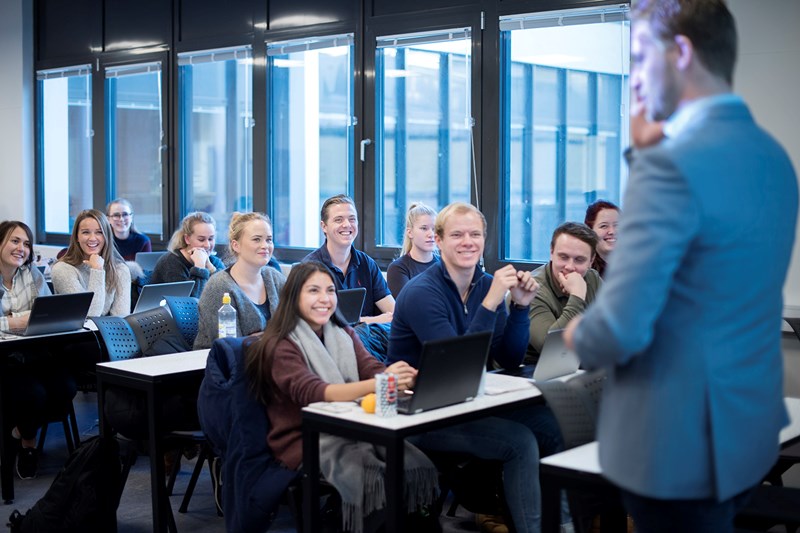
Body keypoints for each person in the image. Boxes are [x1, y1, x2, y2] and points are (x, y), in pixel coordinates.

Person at [563, 1, 799, 532]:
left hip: (676, 443)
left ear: (682, 51)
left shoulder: (670, 164)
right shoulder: (772, 156)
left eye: (641, 57)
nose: (637, 80)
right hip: (745, 427)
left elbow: (619, 329)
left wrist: (580, 331)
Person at [388, 202, 564, 533]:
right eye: (457, 234)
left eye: (475, 234)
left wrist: (521, 308)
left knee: (554, 426)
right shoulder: (422, 292)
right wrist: (492, 301)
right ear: (438, 241)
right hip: (421, 413)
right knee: (520, 442)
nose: (468, 241)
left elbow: (509, 358)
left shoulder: (484, 285)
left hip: (469, 401)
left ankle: (557, 522)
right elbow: (457, 366)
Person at [246, 261, 438, 533]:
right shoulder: (279, 345)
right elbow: (316, 393)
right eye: (314, 291)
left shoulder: (342, 333)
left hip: (353, 425)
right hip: (304, 440)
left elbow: (370, 368)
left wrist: (401, 376)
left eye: (330, 291)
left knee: (413, 468)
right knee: (377, 482)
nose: (325, 299)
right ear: (293, 297)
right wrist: (381, 381)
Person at [0, 221, 78, 479]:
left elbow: (45, 312)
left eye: (26, 243)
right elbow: (29, 316)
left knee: (66, 387)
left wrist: (14, 318)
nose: (21, 248)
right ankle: (28, 446)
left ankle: (18, 432)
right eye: (14, 241)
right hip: (5, 360)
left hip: (33, 351)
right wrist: (15, 320)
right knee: (32, 394)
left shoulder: (32, 274)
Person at [194, 213, 286, 349]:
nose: (265, 245)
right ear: (236, 245)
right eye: (256, 239)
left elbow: (296, 328)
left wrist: (258, 337)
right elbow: (229, 346)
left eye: (269, 240)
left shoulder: (275, 278)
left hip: (272, 360)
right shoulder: (219, 286)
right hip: (225, 366)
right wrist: (274, 336)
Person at [303, 195, 394, 324]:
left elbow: (393, 313)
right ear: (324, 226)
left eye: (352, 219)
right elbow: (312, 322)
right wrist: (369, 320)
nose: (347, 225)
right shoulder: (309, 268)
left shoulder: (367, 264)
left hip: (370, 340)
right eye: (338, 220)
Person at [527, 222, 602, 358]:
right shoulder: (533, 289)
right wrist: (577, 296)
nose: (570, 267)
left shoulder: (592, 278)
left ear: (591, 261)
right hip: (532, 370)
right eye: (563, 257)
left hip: (583, 364)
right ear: (551, 253)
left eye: (579, 260)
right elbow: (551, 350)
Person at [51, 209, 131, 317]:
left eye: (99, 232)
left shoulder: (120, 269)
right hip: (78, 333)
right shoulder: (62, 269)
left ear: (106, 236)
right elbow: (90, 314)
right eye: (85, 232)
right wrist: (97, 270)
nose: (92, 238)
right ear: (77, 237)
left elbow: (121, 317)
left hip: (111, 333)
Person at [150, 211, 225, 299]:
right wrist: (199, 267)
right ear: (187, 239)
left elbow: (228, 292)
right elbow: (192, 303)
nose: (207, 245)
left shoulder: (213, 261)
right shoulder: (170, 262)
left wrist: (211, 268)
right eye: (201, 239)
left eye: (211, 239)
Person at [386, 202, 439, 298]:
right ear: (410, 232)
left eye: (434, 229)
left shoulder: (444, 264)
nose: (431, 234)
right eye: (424, 228)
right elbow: (409, 307)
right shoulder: (398, 268)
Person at [583, 200, 619, 278]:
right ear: (590, 230)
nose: (612, 231)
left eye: (617, 225)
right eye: (604, 226)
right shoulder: (584, 271)